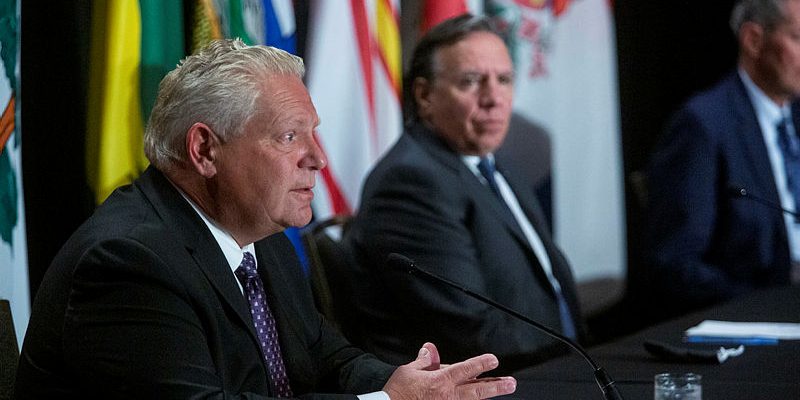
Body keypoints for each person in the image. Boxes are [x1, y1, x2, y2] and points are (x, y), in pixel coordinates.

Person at [14, 39, 517, 399]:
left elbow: (325, 358)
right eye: (289, 137)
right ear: (205, 149)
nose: (318, 159)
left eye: (313, 134)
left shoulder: (260, 232)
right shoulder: (128, 262)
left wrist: (410, 384)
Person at [344, 14, 583, 375]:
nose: (493, 98)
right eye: (471, 82)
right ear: (424, 96)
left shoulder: (496, 165)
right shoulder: (411, 181)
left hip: (548, 370)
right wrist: (581, 359)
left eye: (503, 80)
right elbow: (471, 333)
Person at [645, 0, 800, 316]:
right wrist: (767, 303)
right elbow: (675, 263)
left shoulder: (795, 115)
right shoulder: (702, 125)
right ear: (753, 40)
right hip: (757, 314)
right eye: (798, 38)